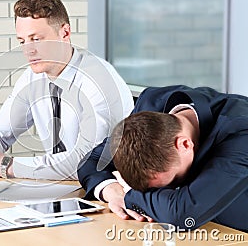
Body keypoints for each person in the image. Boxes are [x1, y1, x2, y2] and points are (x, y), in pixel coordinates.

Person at [0, 0, 134, 180]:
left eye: (36, 39)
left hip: (105, 190)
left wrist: (8, 166)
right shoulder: (31, 79)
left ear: (65, 33)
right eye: (22, 41)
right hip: (59, 189)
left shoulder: (99, 80)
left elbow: (87, 162)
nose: (29, 50)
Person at [78, 85, 248, 232]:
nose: (163, 193)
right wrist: (112, 191)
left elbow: (182, 213)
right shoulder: (150, 108)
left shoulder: (241, 132)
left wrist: (129, 194)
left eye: (172, 181)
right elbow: (91, 161)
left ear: (185, 145)